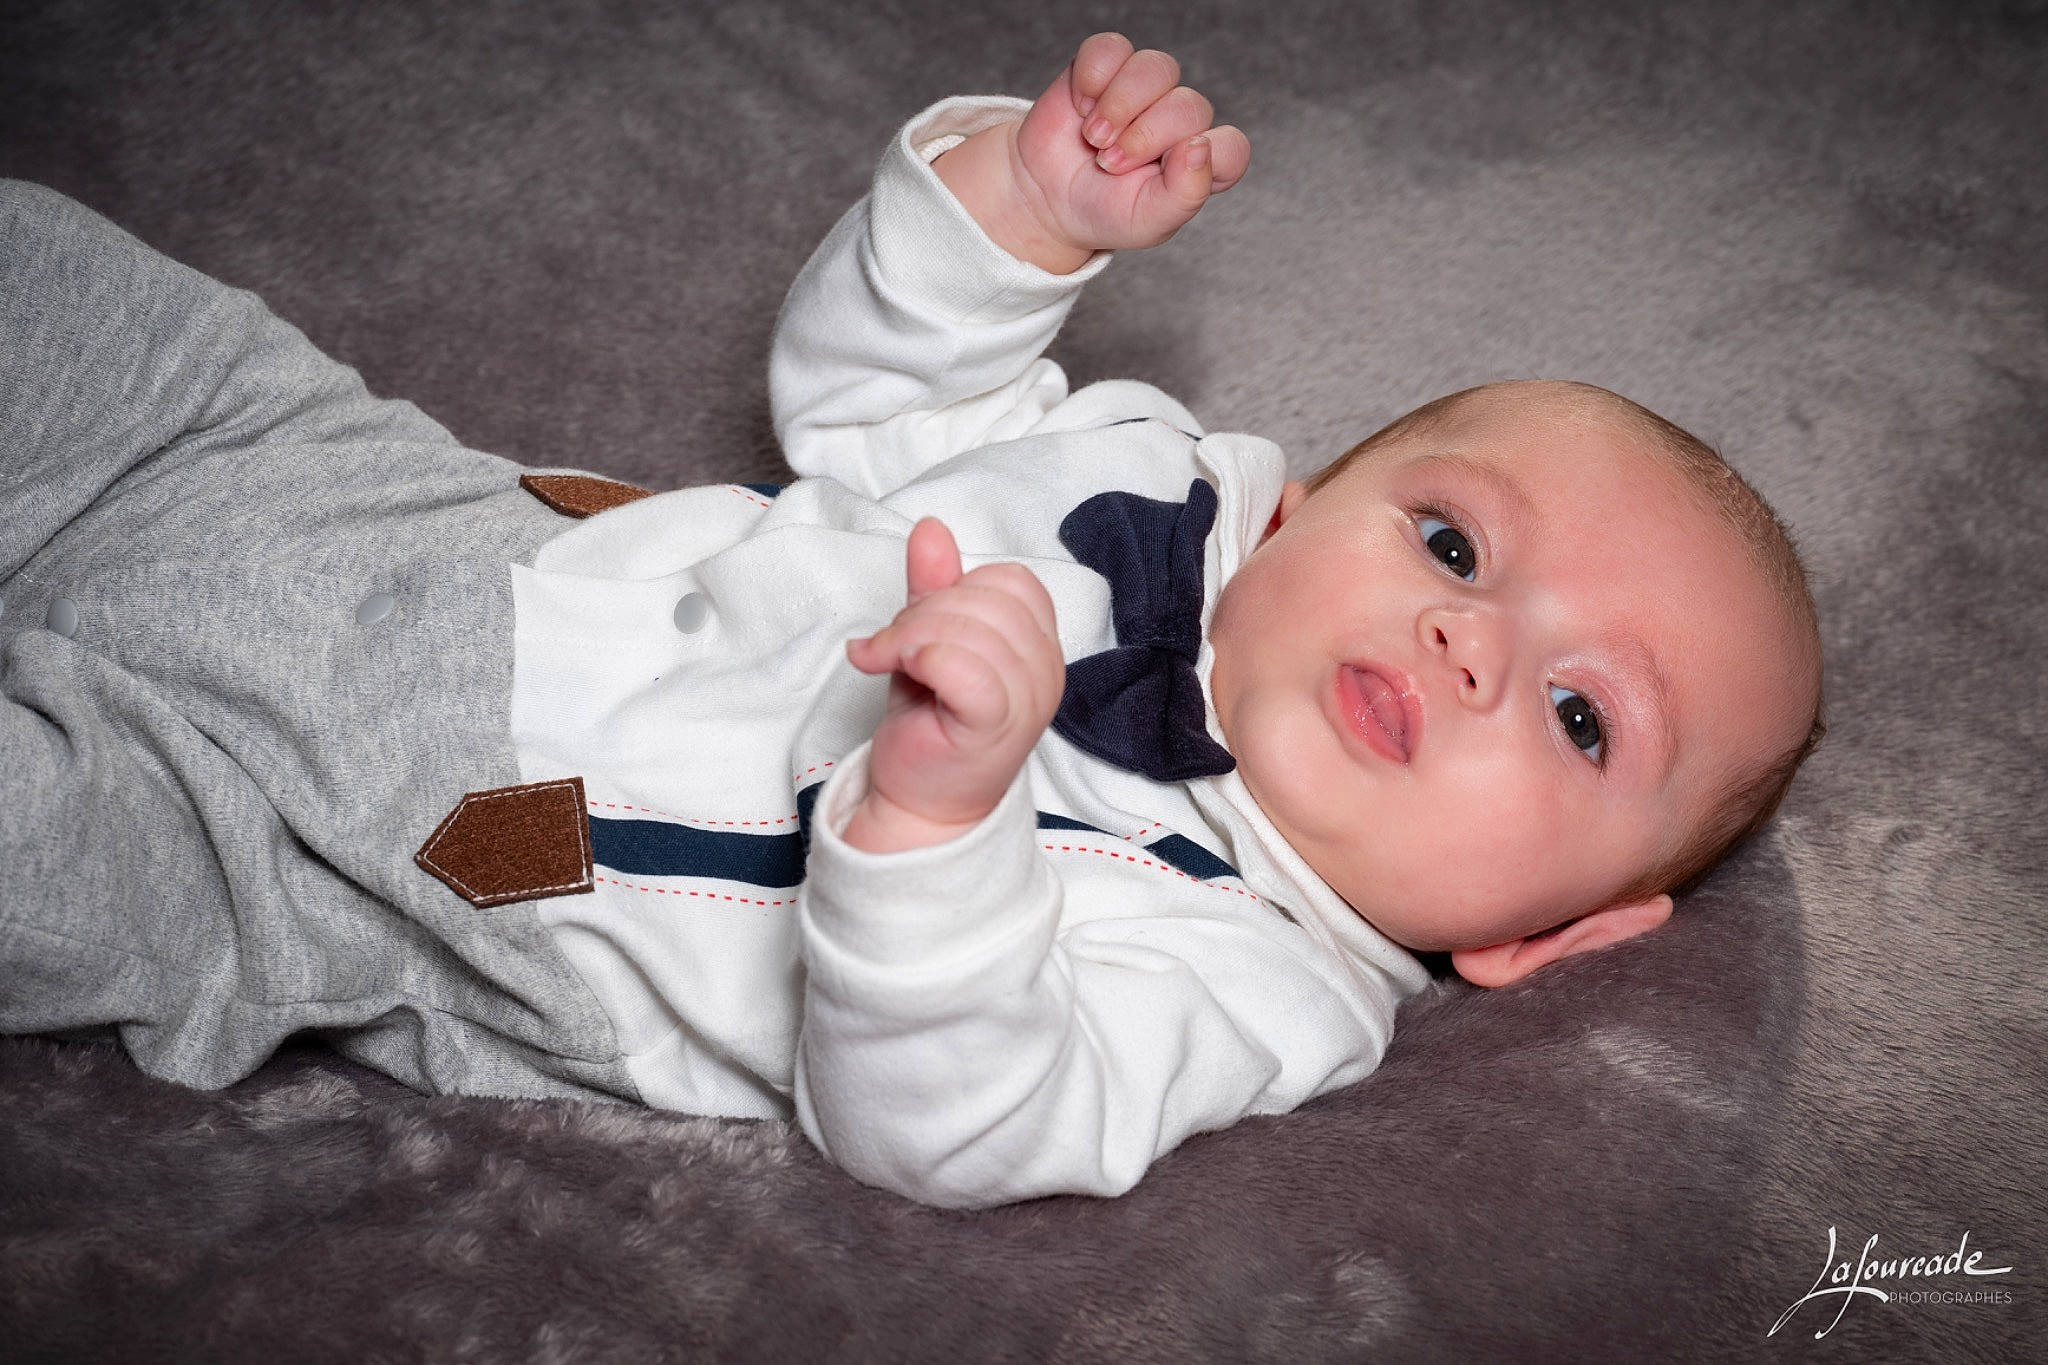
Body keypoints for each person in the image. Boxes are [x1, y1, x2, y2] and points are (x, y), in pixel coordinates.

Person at [0, 33, 1823, 1208]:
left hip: (383, 867)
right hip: (421, 520)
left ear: (1555, 937)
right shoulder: (1147, 477)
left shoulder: (1266, 986)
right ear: (1299, 506)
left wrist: (935, 823)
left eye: (1583, 720)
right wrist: (1018, 215)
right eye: (1449, 543)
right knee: (67, 307)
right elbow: (868, 406)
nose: (1471, 645)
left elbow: (956, 1115)